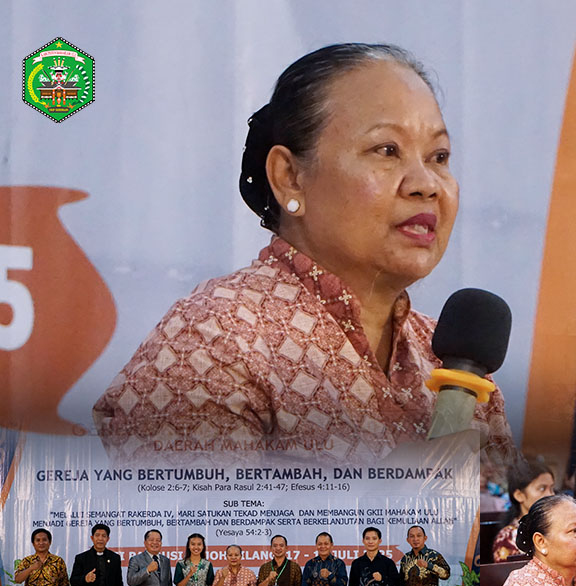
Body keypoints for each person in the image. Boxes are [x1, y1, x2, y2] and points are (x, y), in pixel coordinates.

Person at [91, 42, 515, 469]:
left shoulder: (455, 366)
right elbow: (185, 527)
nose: (426, 184)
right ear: (290, 177)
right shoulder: (216, 337)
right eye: (386, 150)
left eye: (439, 157)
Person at [492, 459, 555, 563]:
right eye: (542, 488)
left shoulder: (556, 528)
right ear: (519, 495)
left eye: (552, 488)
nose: (550, 495)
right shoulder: (508, 538)